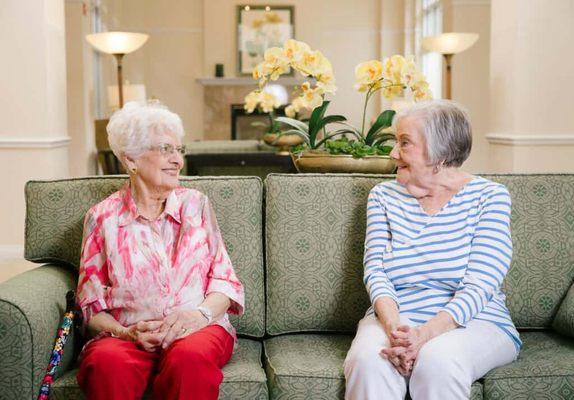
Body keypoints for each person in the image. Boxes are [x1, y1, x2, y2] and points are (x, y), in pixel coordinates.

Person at [344, 100, 520, 400]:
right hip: (395, 319)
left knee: (438, 361)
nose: (393, 153)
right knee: (369, 362)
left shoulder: (489, 197)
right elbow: (375, 271)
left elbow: (481, 284)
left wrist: (424, 335)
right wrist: (396, 329)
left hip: (474, 321)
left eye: (404, 143)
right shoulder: (383, 197)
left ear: (439, 154)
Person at [76, 101, 244, 400]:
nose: (177, 160)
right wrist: (126, 333)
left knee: (188, 360)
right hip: (128, 333)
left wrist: (199, 315)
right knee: (106, 364)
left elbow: (225, 282)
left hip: (198, 329)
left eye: (179, 150)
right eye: (166, 149)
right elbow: (91, 307)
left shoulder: (196, 206)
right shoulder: (102, 218)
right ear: (131, 160)